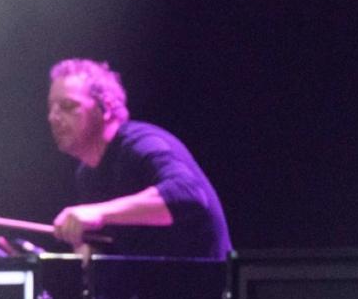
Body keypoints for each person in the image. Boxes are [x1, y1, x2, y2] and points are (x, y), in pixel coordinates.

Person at [45, 58, 231, 258]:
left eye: (67, 105)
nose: (53, 117)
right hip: (153, 286)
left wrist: (98, 212)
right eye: (51, 107)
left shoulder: (141, 144)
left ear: (105, 107)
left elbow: (188, 194)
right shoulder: (87, 175)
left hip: (202, 286)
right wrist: (90, 251)